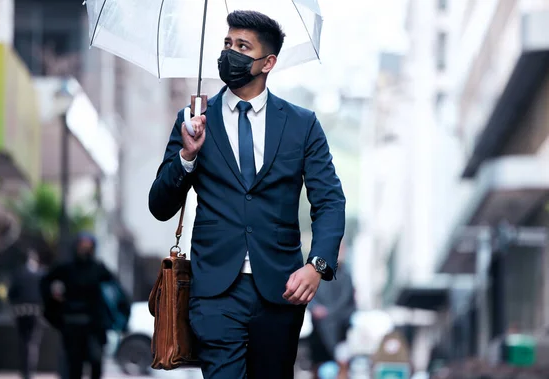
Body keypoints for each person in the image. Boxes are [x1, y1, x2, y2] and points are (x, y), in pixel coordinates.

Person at [148, 10, 346, 379]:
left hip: (281, 291)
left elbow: (330, 201)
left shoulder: (302, 125)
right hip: (215, 291)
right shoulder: (193, 119)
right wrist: (187, 156)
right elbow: (159, 206)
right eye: (227, 44)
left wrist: (317, 266)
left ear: (268, 62)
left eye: (243, 46)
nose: (230, 53)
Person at [40, 232, 129, 379]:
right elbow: (46, 282)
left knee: (95, 363)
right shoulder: (67, 268)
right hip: (72, 324)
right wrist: (55, 300)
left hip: (95, 326)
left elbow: (117, 292)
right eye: (82, 245)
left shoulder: (99, 269)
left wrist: (119, 319)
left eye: (88, 246)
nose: (84, 249)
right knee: (74, 365)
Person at [307, 246, 356, 379]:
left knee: (341, 367)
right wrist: (315, 308)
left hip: (340, 330)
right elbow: (310, 293)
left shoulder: (346, 275)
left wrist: (328, 312)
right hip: (319, 331)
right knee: (318, 367)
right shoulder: (316, 272)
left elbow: (346, 301)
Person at [8, 250, 45, 379]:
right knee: (33, 342)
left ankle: (24, 370)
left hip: (20, 312)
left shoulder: (18, 274)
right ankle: (30, 371)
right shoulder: (41, 275)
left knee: (23, 342)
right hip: (36, 312)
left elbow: (11, 294)